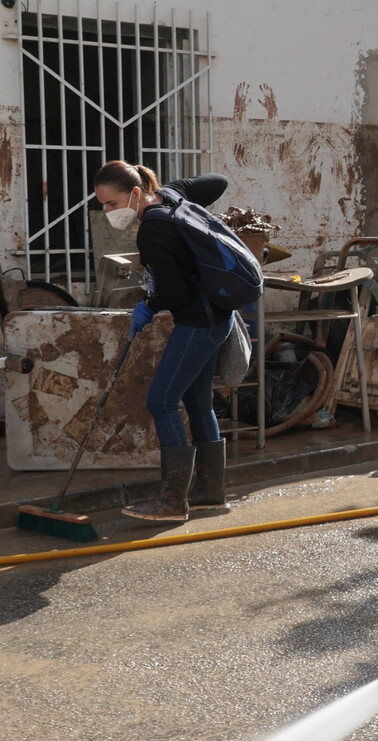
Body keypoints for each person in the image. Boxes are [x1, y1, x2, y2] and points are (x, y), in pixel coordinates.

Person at [93, 161, 234, 521]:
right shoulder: (173, 197)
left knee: (161, 401)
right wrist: (171, 190)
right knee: (198, 402)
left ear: (136, 194)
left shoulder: (152, 230)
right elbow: (218, 180)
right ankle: (211, 493)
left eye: (112, 203)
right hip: (218, 316)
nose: (108, 211)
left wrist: (148, 306)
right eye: (103, 204)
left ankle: (172, 501)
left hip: (198, 322)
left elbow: (172, 290)